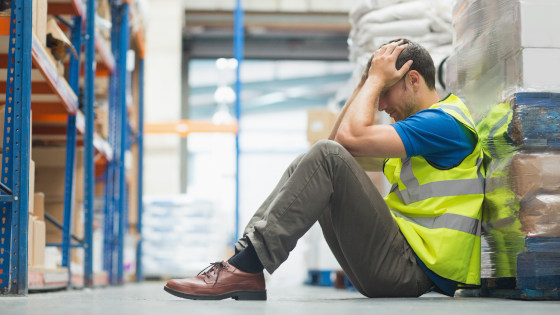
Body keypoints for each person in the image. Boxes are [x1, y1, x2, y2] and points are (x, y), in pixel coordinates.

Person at [163, 39, 484, 301]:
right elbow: (334, 150)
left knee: (325, 157)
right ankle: (244, 263)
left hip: (411, 270)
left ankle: (245, 267)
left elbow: (340, 147)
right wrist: (365, 83)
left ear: (413, 80)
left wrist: (374, 80)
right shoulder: (423, 135)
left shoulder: (445, 124)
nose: (381, 105)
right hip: (398, 265)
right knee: (309, 161)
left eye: (386, 92)